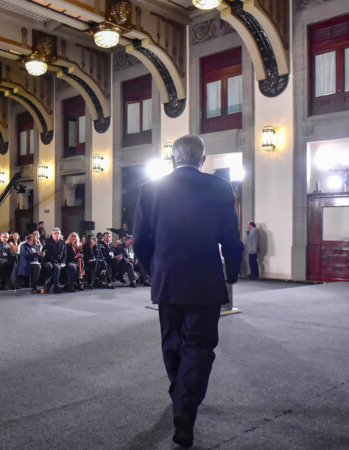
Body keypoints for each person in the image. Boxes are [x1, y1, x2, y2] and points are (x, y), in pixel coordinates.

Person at [133, 134, 244, 448]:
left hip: (167, 281)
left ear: (173, 159)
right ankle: (185, 404)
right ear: (203, 159)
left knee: (172, 343)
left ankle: (180, 394)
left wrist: (152, 273)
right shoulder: (220, 187)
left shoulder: (149, 189)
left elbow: (139, 241)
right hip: (205, 281)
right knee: (199, 347)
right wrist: (231, 274)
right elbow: (231, 239)